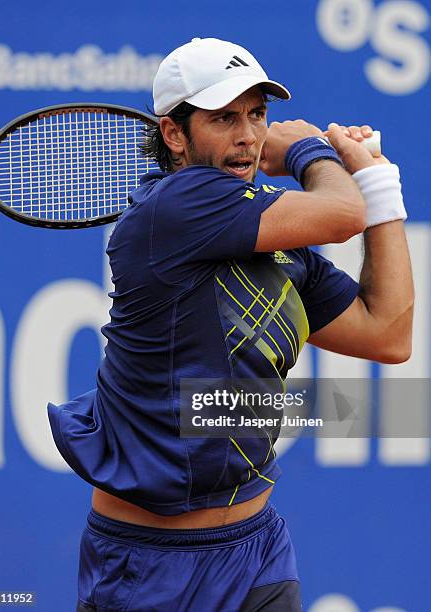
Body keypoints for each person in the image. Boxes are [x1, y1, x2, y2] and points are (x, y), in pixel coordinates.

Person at [47, 37, 413, 611]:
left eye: (257, 114)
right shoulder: (174, 207)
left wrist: (381, 185)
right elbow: (343, 215)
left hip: (256, 549)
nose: (248, 136)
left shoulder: (270, 234)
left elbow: (388, 334)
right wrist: (309, 153)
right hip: (151, 564)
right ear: (174, 135)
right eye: (224, 118)